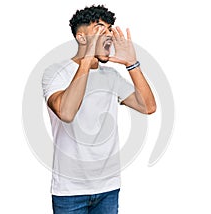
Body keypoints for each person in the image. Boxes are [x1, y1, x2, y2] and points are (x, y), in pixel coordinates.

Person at [42, 5, 156, 214]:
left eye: (110, 29)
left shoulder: (111, 77)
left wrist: (132, 63)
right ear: (81, 37)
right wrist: (87, 59)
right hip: (70, 191)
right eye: (100, 29)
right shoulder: (55, 72)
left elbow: (148, 107)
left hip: (108, 188)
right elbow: (66, 113)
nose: (109, 34)